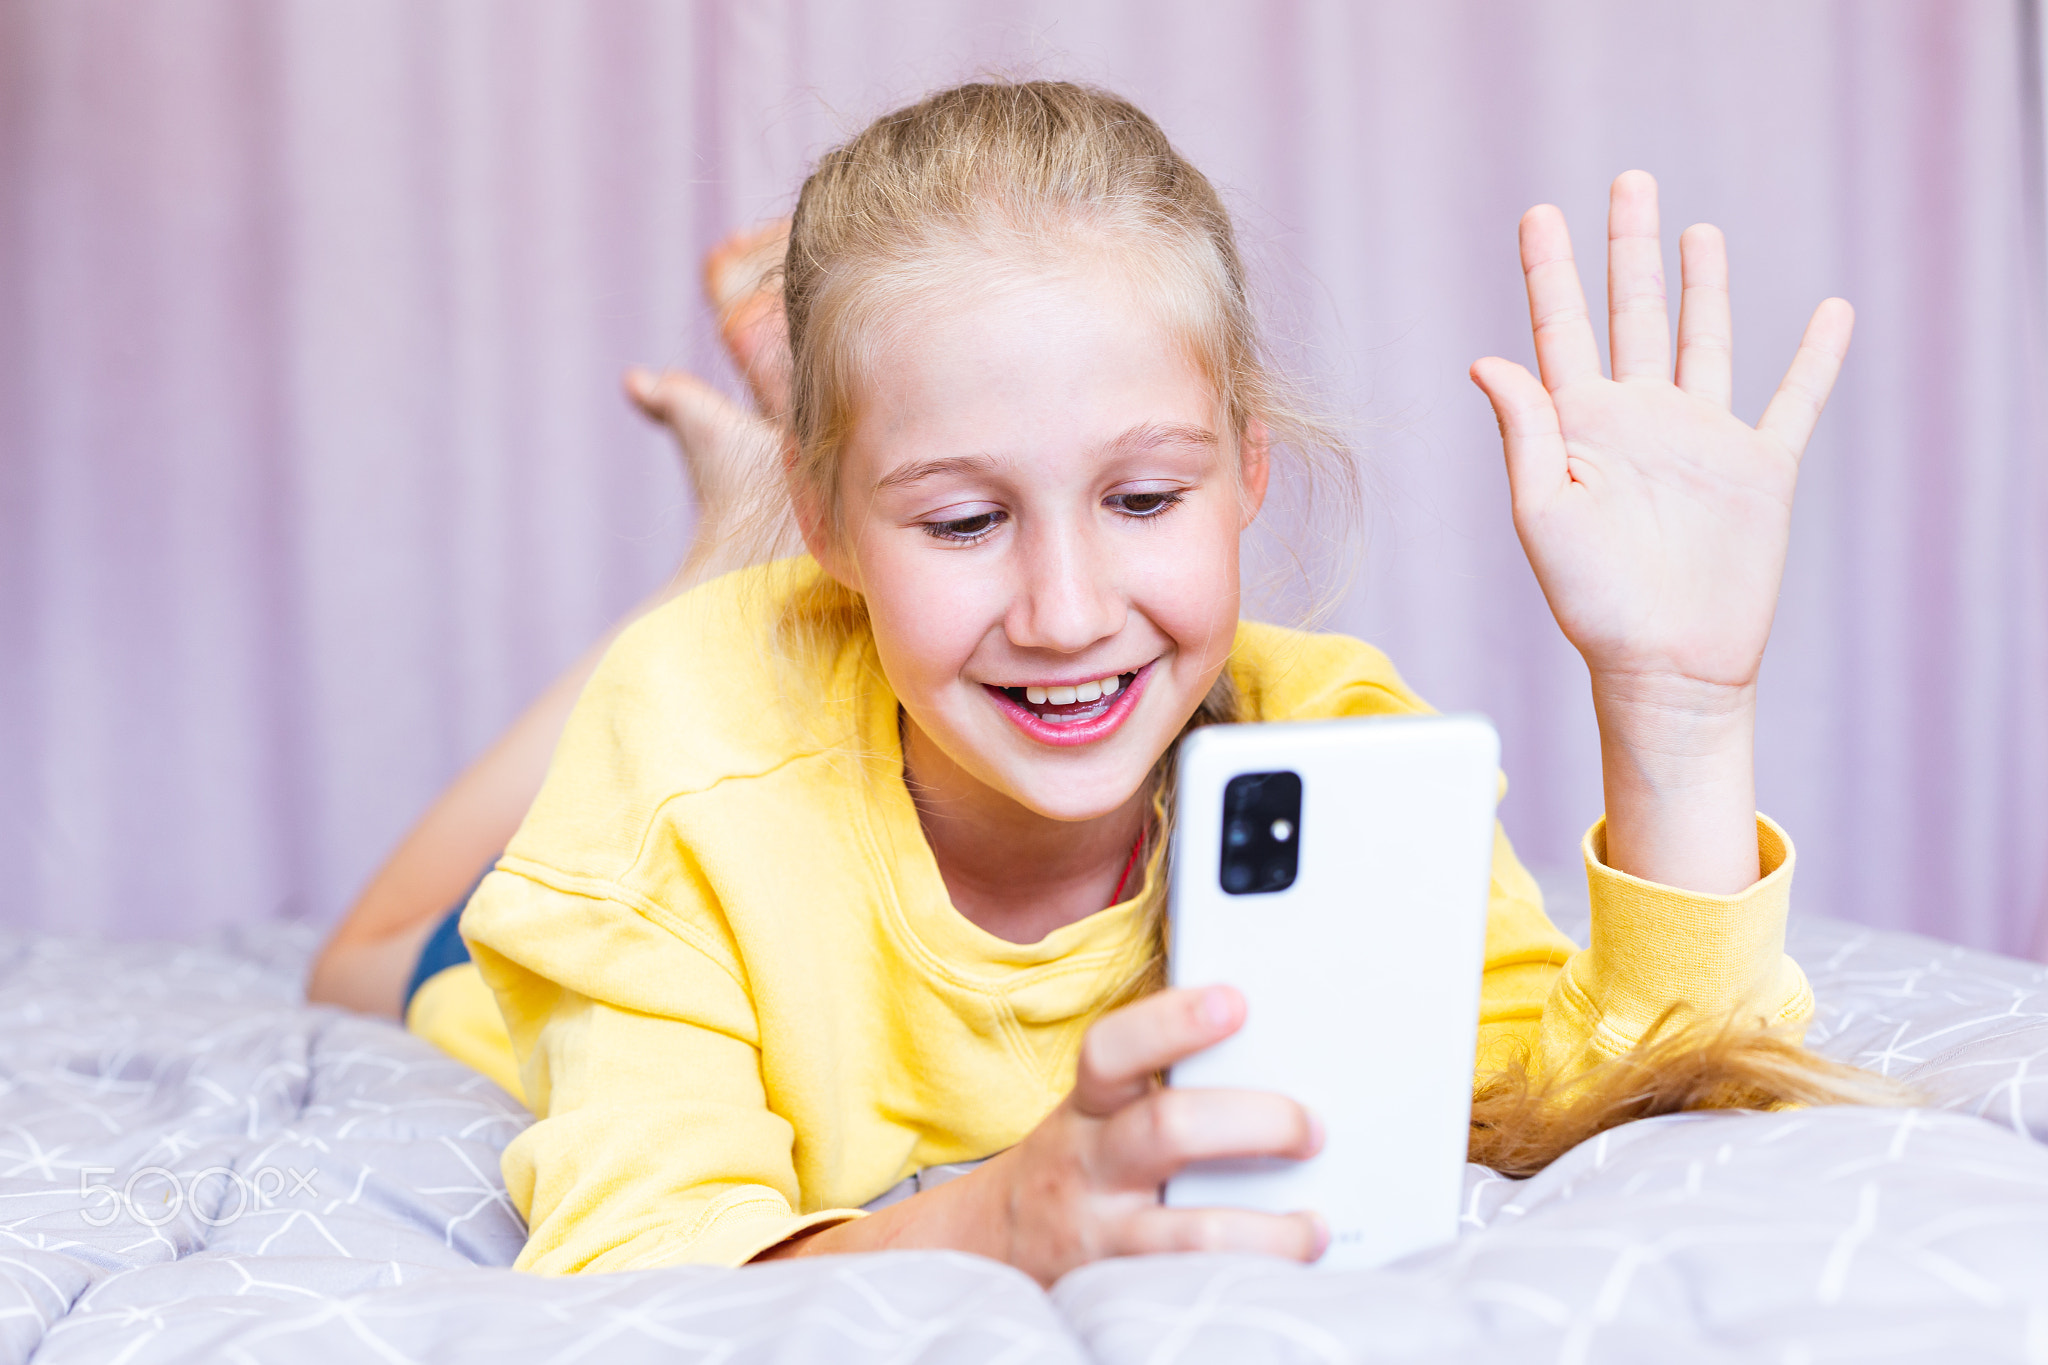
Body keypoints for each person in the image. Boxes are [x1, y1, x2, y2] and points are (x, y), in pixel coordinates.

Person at [310, 80, 1883, 1283]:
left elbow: (1603, 1095)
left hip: (827, 607)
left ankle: (826, 493)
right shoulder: (692, 759)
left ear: (1250, 469)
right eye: (965, 518)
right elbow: (635, 1261)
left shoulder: (1331, 746)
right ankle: (730, 538)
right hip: (664, 847)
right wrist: (998, 1217)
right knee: (366, 960)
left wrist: (1676, 708)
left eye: (1143, 501)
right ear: (838, 519)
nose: (1067, 612)